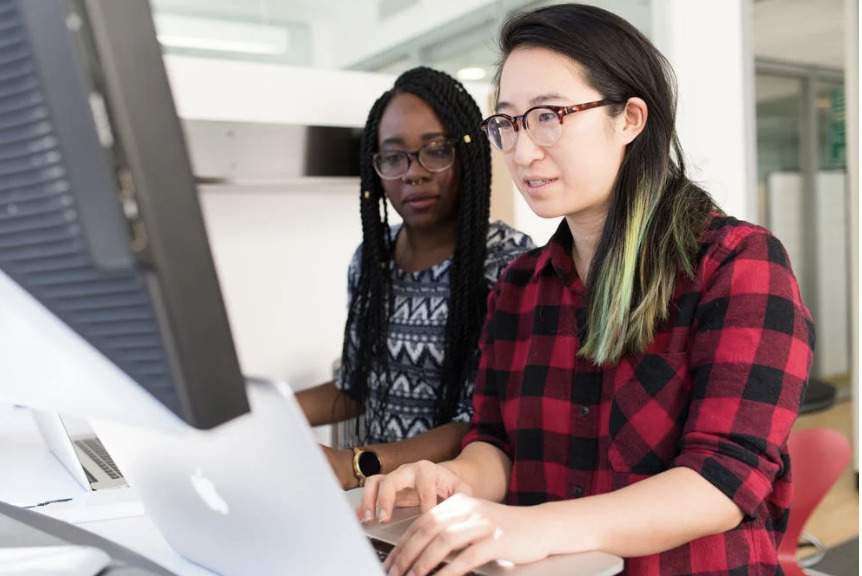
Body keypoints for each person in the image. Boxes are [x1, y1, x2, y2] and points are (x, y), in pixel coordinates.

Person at [359, 5, 815, 576]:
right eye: (508, 123)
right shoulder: (519, 287)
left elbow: (722, 481)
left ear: (629, 119)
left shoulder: (737, 264)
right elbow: (496, 444)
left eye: (549, 116)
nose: (523, 152)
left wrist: (534, 525)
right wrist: (454, 478)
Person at [296, 67, 534, 491]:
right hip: (377, 503)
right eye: (393, 156)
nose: (413, 172)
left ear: (467, 154)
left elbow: (481, 422)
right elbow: (355, 386)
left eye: (436, 151)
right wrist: (261, 412)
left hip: (456, 502)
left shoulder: (507, 264)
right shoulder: (372, 260)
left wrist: (356, 465)